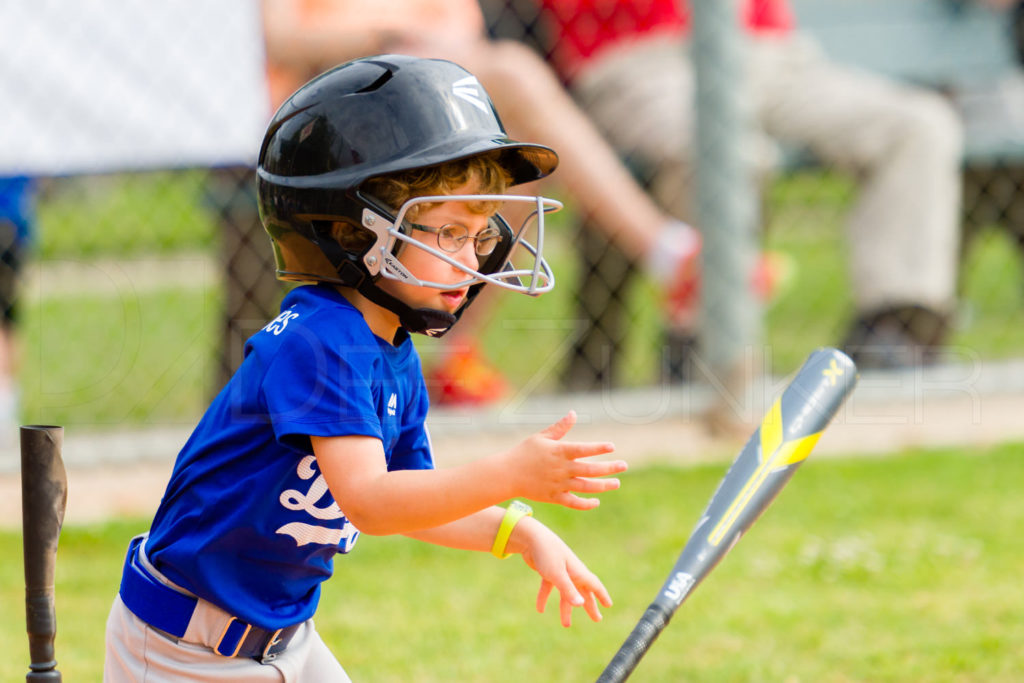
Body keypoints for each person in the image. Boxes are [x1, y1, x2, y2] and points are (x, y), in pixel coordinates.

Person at [103, 55, 628, 681]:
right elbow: (373, 504)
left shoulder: (391, 351)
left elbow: (416, 498)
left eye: (480, 233)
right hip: (181, 649)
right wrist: (508, 472)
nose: (472, 257)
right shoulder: (321, 343)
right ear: (356, 235)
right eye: (448, 234)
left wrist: (518, 533)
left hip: (278, 637)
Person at [260, 0, 712, 403]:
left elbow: (463, 33)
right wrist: (383, 39)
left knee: (511, 158)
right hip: (327, 123)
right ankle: (668, 252)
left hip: (424, 105)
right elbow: (278, 39)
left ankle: (454, 354)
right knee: (512, 70)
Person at [538, 0, 965, 370]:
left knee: (919, 126)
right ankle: (704, 342)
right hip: (645, 58)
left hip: (768, 54)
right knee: (727, 152)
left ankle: (895, 330)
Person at [0, 176, 34, 448]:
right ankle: (6, 410)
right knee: (7, 324)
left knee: (6, 323)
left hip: (8, 223)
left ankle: (5, 411)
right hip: (12, 223)